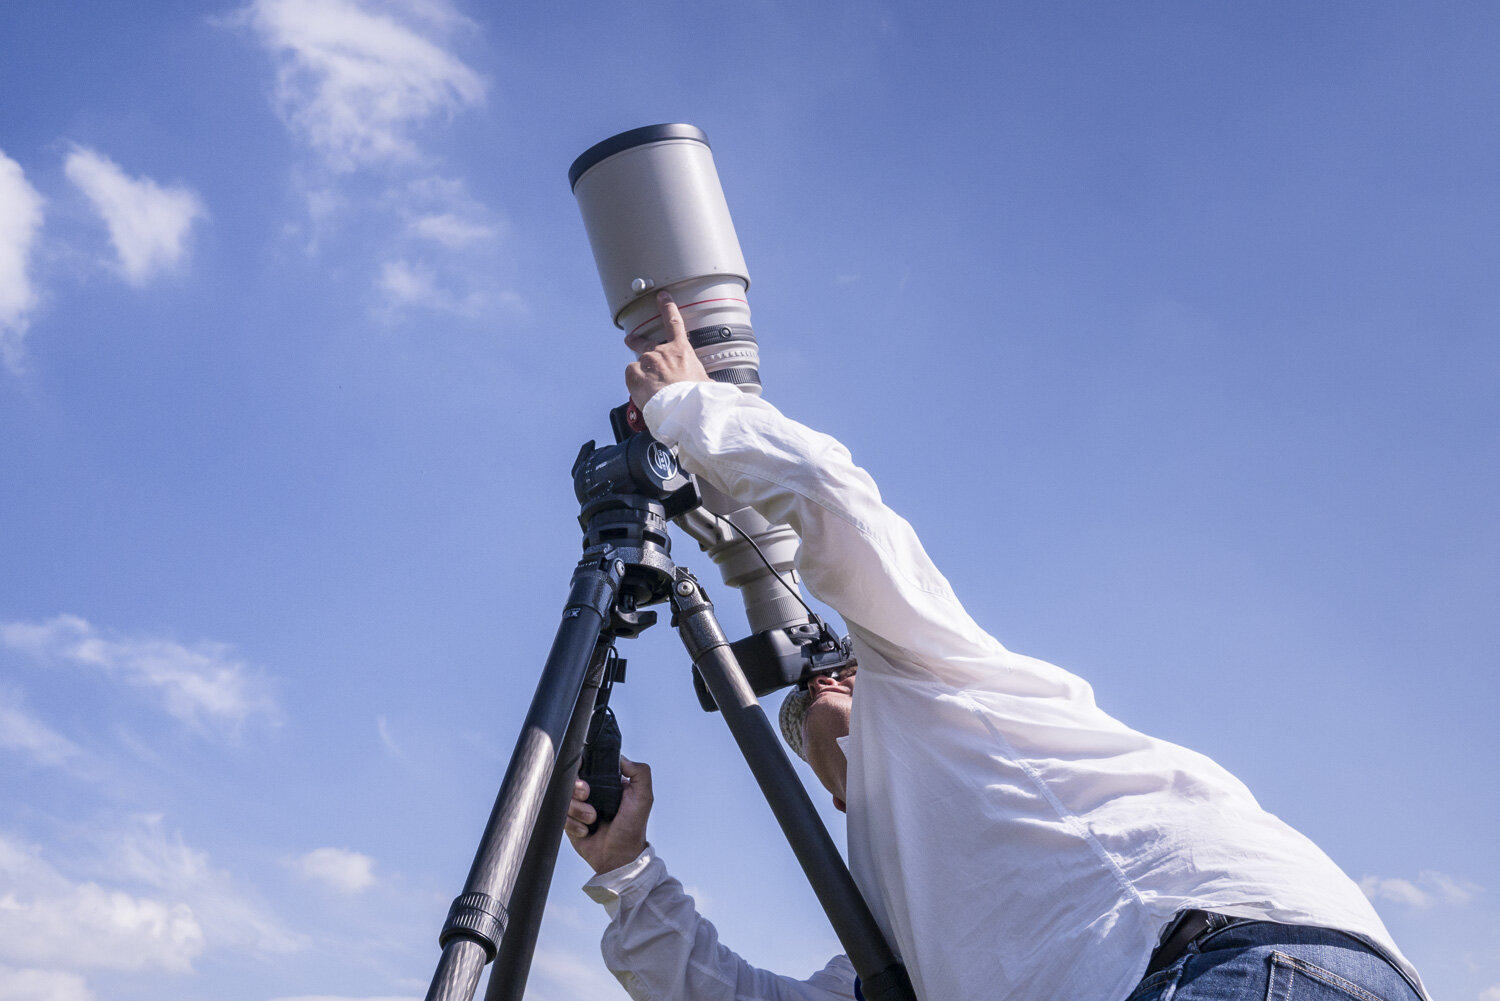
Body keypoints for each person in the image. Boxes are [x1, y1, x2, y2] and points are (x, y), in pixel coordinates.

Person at [564, 291, 1427, 1001]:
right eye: (795, 722)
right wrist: (628, 872)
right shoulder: (904, 915)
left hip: (1225, 957)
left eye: (829, 680)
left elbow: (837, 504)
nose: (815, 702)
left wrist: (688, 402)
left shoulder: (935, 675)